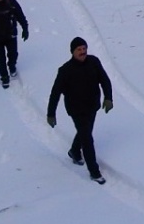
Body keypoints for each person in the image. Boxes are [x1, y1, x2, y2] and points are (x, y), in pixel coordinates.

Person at [47, 37, 114, 184]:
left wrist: (108, 98)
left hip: (92, 106)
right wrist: (51, 113)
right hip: (76, 109)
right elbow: (55, 93)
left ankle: (75, 152)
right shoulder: (65, 70)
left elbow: (105, 80)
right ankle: (94, 172)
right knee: (87, 139)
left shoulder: (94, 62)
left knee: (85, 132)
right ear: (73, 52)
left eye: (84, 49)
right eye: (79, 49)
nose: (82, 52)